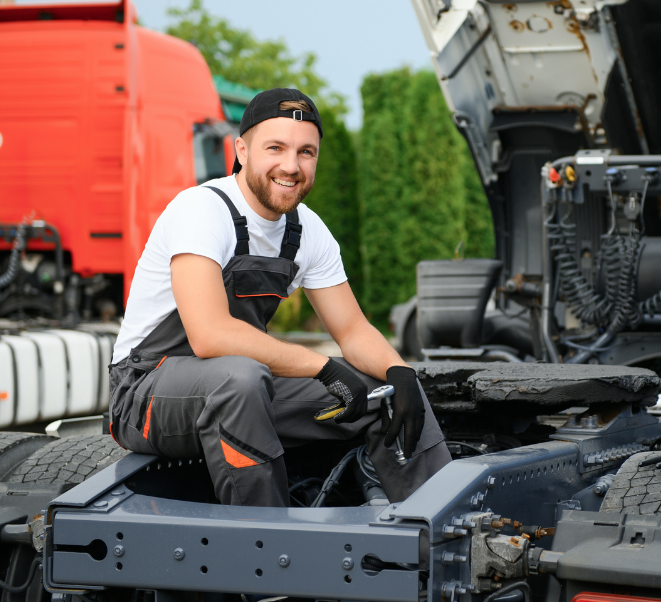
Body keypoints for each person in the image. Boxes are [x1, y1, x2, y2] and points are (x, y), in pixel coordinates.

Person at [108, 88, 451, 507]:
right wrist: (320, 367)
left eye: (306, 152)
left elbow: (353, 329)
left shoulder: (307, 231)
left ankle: (442, 527)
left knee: (382, 393)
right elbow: (209, 335)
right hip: (145, 394)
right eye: (275, 148)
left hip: (241, 387)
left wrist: (400, 374)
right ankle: (269, 544)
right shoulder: (200, 210)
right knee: (240, 379)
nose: (291, 166)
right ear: (242, 150)